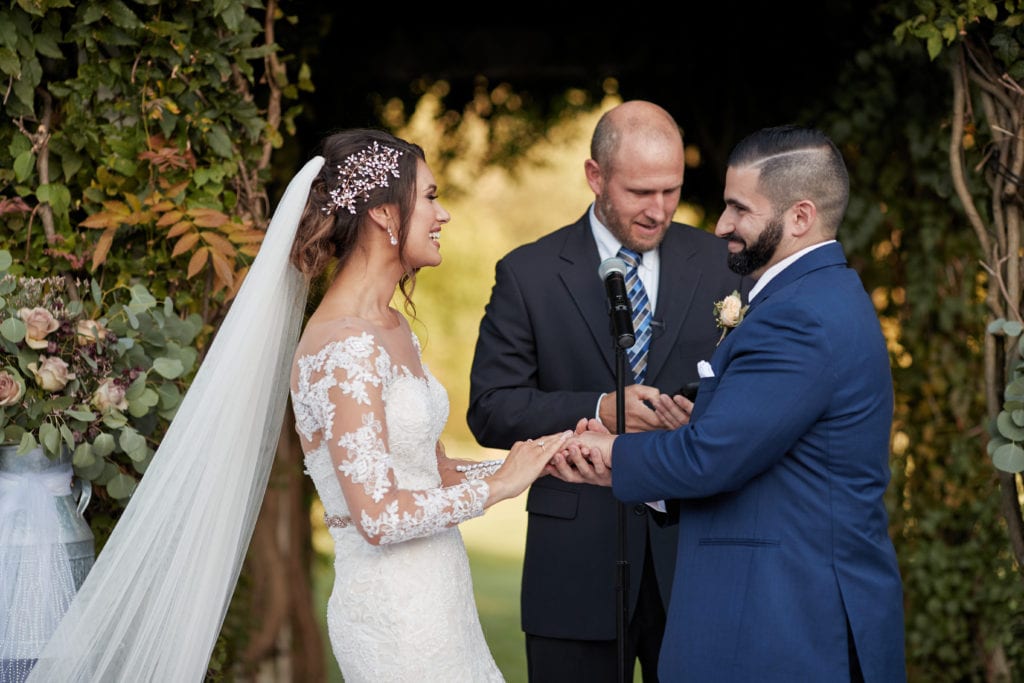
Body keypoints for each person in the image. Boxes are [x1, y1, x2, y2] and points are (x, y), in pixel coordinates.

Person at [25, 129, 571, 683]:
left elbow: (431, 474)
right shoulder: (342, 347)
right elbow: (378, 517)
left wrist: (535, 462)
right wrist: (498, 487)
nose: (444, 215)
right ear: (384, 214)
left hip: (440, 598)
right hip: (394, 618)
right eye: (430, 197)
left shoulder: (393, 328)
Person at [550, 125, 907, 682]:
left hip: (786, 625)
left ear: (800, 217)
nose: (721, 226)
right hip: (778, 616)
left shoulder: (800, 317)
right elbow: (765, 453)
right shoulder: (817, 297)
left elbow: (712, 458)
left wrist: (613, 452)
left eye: (740, 209)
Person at [467, 100, 750, 682]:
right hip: (575, 564)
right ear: (595, 176)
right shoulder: (528, 273)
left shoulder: (724, 266)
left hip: (696, 557)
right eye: (641, 192)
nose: (659, 209)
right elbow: (491, 408)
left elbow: (753, 391)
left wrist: (696, 422)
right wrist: (598, 409)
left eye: (671, 191)